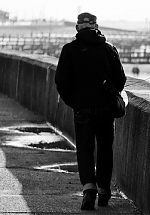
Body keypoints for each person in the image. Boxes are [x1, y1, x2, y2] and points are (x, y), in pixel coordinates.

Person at [54, 12, 126, 210]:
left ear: (78, 27)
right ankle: (103, 190)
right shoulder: (109, 49)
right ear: (96, 26)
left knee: (85, 149)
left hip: (82, 108)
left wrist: (74, 101)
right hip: (105, 108)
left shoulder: (69, 50)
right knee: (104, 149)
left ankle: (88, 190)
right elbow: (120, 80)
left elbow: (61, 81)